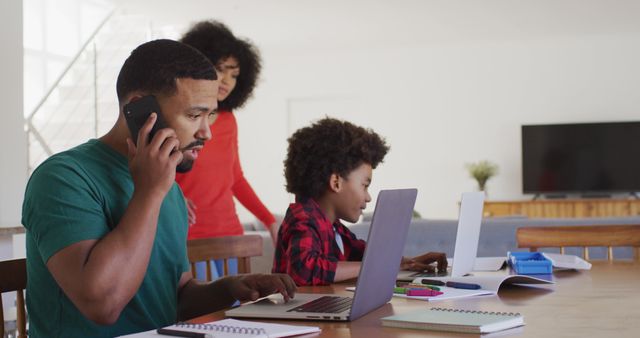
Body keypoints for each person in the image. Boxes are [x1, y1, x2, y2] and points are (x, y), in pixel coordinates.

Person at [21, 39, 295, 337]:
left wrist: (231, 287)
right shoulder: (63, 178)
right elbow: (102, 305)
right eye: (193, 115)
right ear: (139, 109)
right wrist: (149, 193)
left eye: (210, 115)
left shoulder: (169, 188)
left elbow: (175, 298)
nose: (207, 133)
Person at [272, 117, 447, 286]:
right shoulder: (302, 217)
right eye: (365, 186)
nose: (368, 197)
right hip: (298, 314)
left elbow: (369, 256)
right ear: (336, 183)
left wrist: (409, 262)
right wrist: (383, 265)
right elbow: (304, 270)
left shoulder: (336, 228)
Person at [176, 20, 276, 279]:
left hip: (231, 238)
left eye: (234, 75)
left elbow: (236, 179)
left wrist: (270, 220)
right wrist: (170, 195)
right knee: (195, 316)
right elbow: (152, 172)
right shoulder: (177, 118)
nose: (227, 81)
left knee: (233, 314)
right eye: (220, 70)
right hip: (187, 237)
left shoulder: (229, 121)